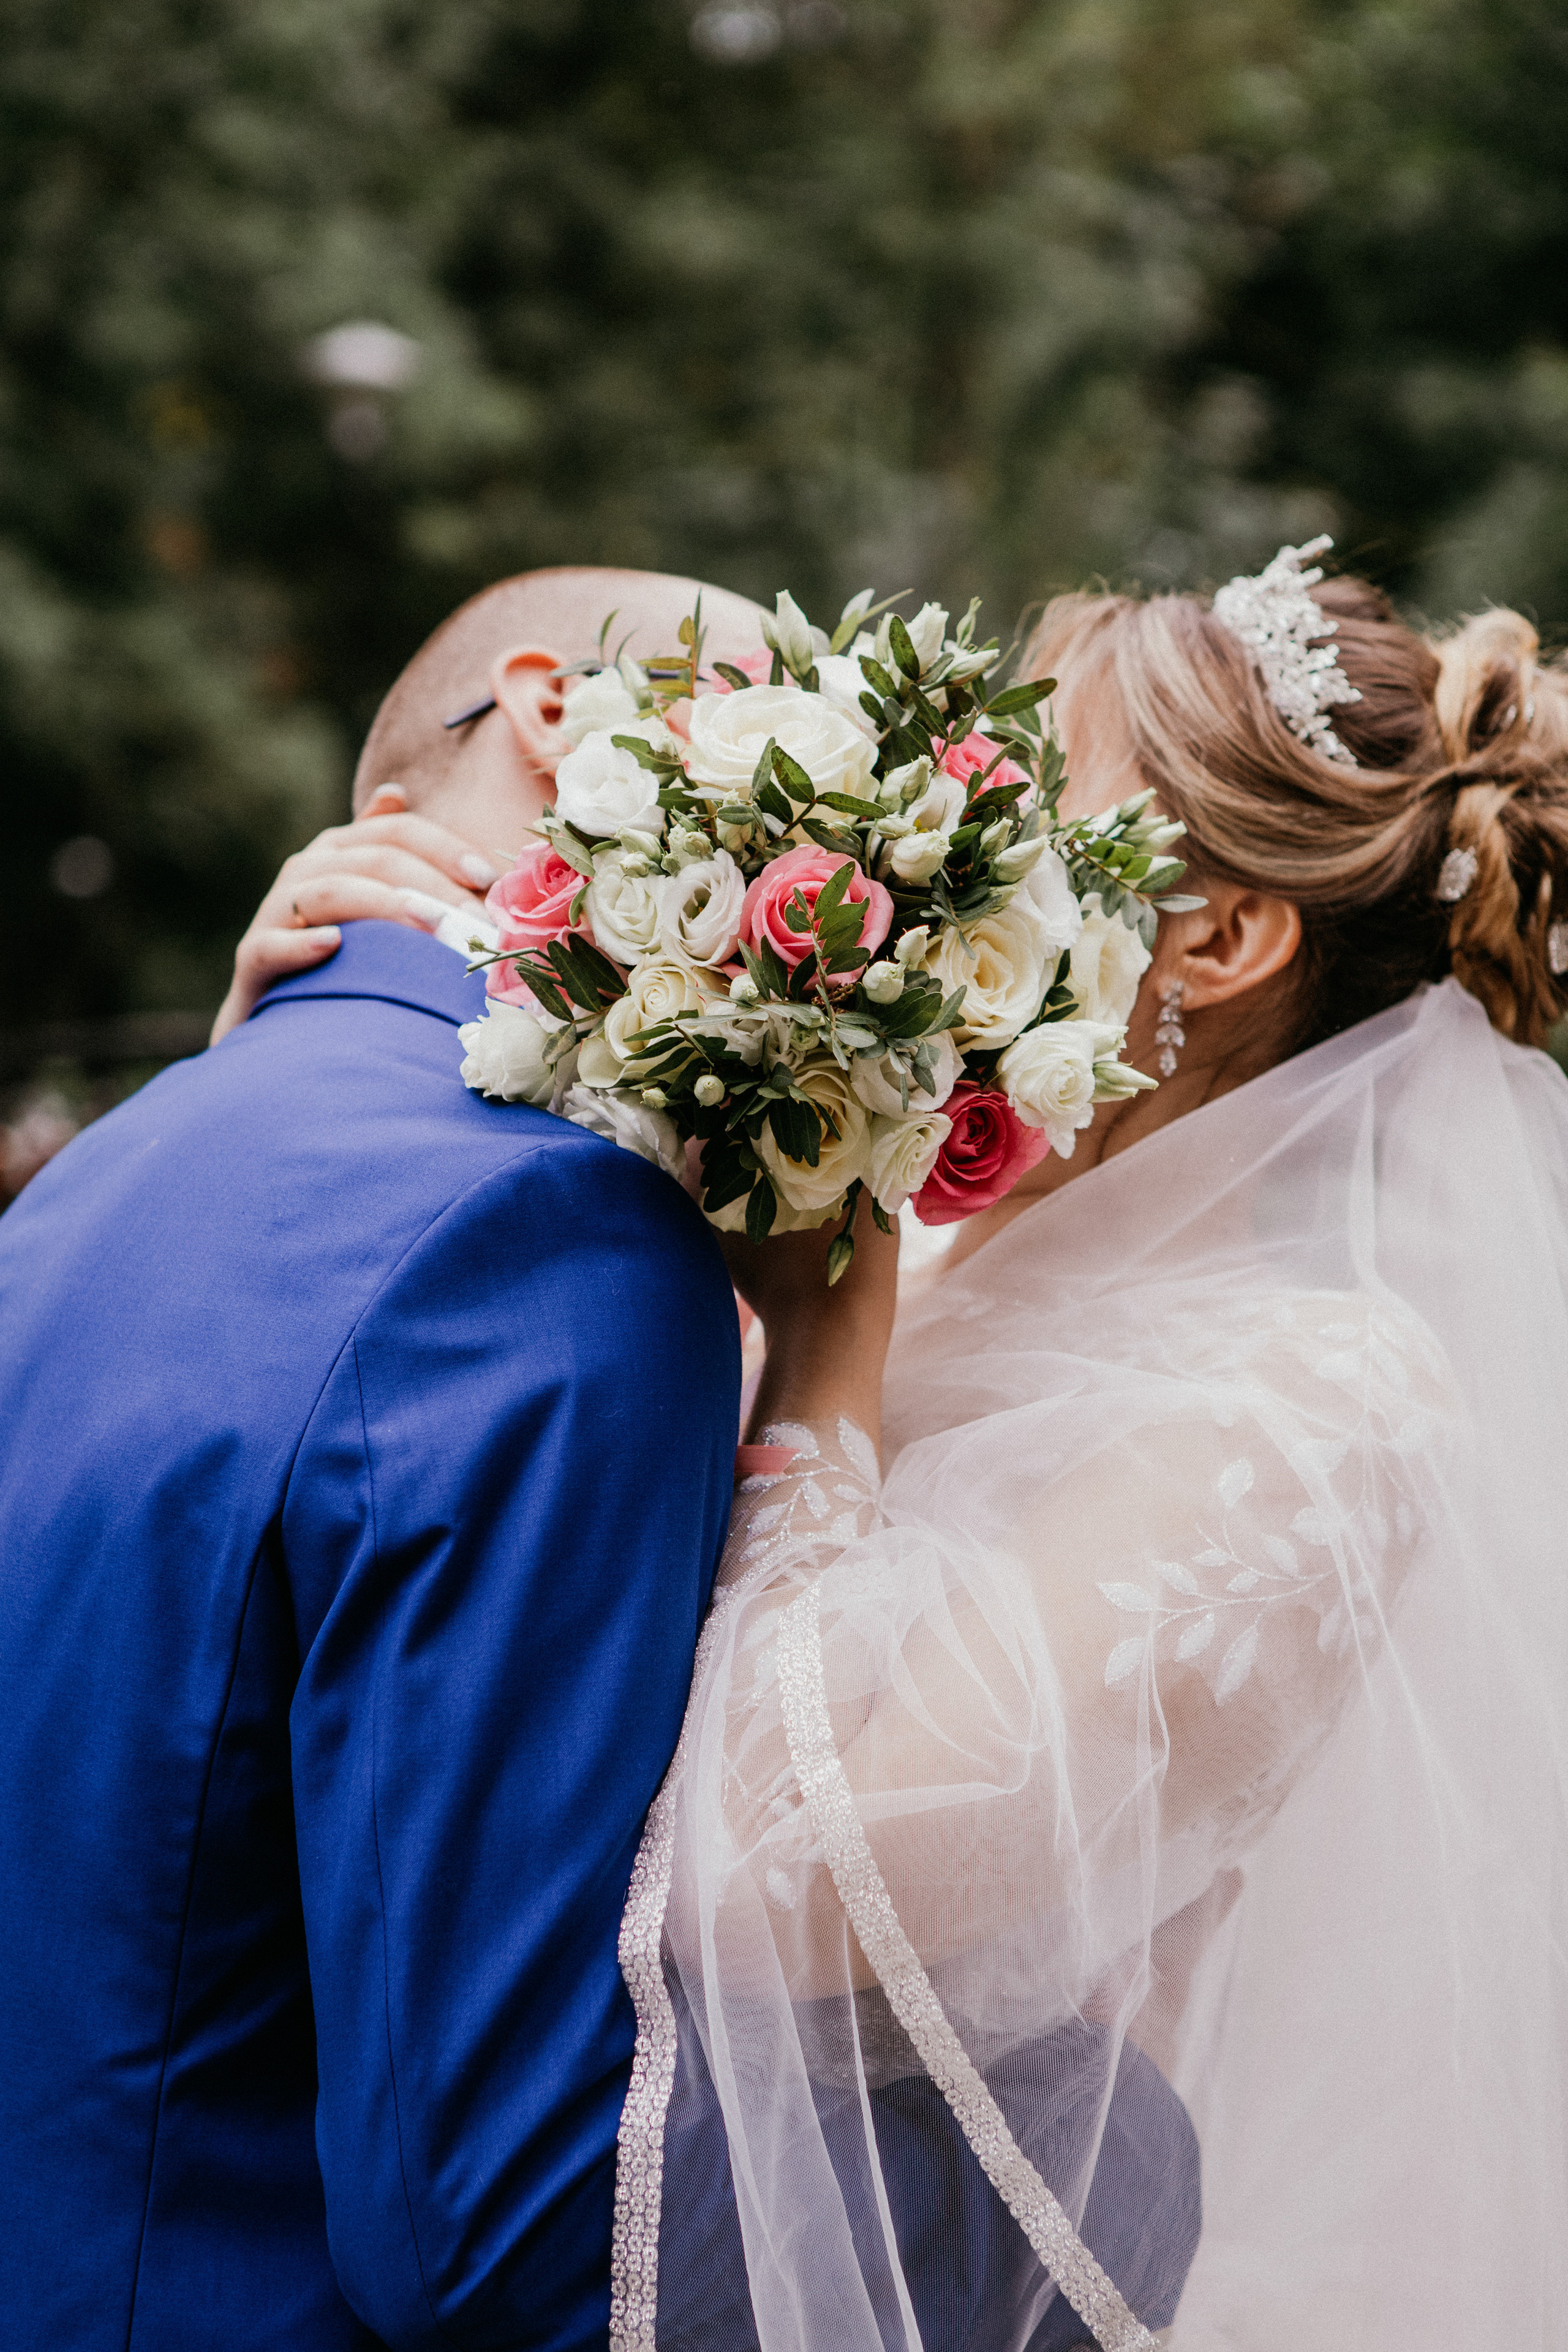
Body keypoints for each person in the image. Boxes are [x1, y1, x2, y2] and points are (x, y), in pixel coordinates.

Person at [222, 551, 1568, 2345]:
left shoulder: (1313, 1406)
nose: (942, 839)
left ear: (1220, 937)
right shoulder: (919, 1230)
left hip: (843, 2267)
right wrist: (309, 1035)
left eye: (1029, 809)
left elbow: (795, 1893)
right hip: (464, 2142)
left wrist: (830, 1348)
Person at [0, 568, 753, 2352]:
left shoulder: (115, 1163)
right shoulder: (556, 1230)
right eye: (786, 709)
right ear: (558, 709)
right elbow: (488, 2220)